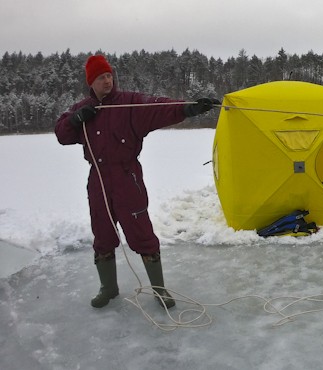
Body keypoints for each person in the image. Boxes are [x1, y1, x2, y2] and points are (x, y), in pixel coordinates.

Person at [55, 54, 218, 308]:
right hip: (98, 179)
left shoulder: (129, 103)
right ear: (91, 82)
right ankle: (108, 288)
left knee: (141, 233)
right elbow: (62, 134)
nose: (107, 81)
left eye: (109, 75)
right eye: (101, 78)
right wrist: (76, 119)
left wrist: (189, 107)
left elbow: (159, 107)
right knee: (102, 234)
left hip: (127, 178)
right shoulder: (82, 109)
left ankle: (159, 290)